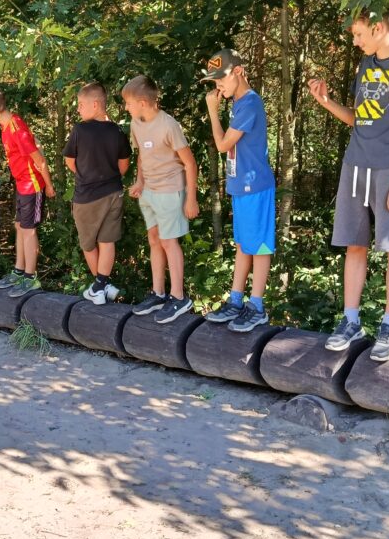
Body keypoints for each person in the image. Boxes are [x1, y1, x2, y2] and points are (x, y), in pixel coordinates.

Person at [308, 11, 389, 362]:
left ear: (378, 28)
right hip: (355, 165)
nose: (355, 41)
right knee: (354, 244)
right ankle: (351, 321)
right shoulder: (366, 64)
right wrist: (326, 102)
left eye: (359, 34)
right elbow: (359, 118)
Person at [202, 49, 276, 332]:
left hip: (255, 186)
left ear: (238, 72)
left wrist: (212, 111)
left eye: (221, 79)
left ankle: (256, 306)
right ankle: (236, 300)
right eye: (214, 82)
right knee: (244, 244)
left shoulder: (250, 103)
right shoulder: (238, 103)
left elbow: (223, 145)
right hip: (241, 185)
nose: (218, 86)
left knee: (260, 245)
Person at [122, 75, 199, 324]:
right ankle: (158, 293)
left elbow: (190, 163)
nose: (126, 107)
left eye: (128, 103)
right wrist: (140, 182)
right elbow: (142, 156)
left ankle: (179, 297)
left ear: (143, 103)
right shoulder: (136, 123)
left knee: (168, 242)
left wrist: (191, 198)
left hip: (170, 190)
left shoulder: (169, 125)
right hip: (150, 191)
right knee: (154, 239)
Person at [0, 88, 56, 297]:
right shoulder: (6, 126)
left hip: (32, 185)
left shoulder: (17, 129)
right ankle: (19, 271)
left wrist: (48, 185)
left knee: (29, 230)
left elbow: (39, 159)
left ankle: (30, 277)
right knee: (19, 226)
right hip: (21, 184)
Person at [62, 82, 130, 305]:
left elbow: (70, 161)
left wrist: (86, 175)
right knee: (107, 241)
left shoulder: (80, 130)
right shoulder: (117, 131)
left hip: (87, 196)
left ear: (95, 104)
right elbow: (124, 165)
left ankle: (99, 287)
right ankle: (103, 285)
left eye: (81, 104)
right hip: (113, 193)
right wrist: (107, 176)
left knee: (88, 244)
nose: (78, 109)